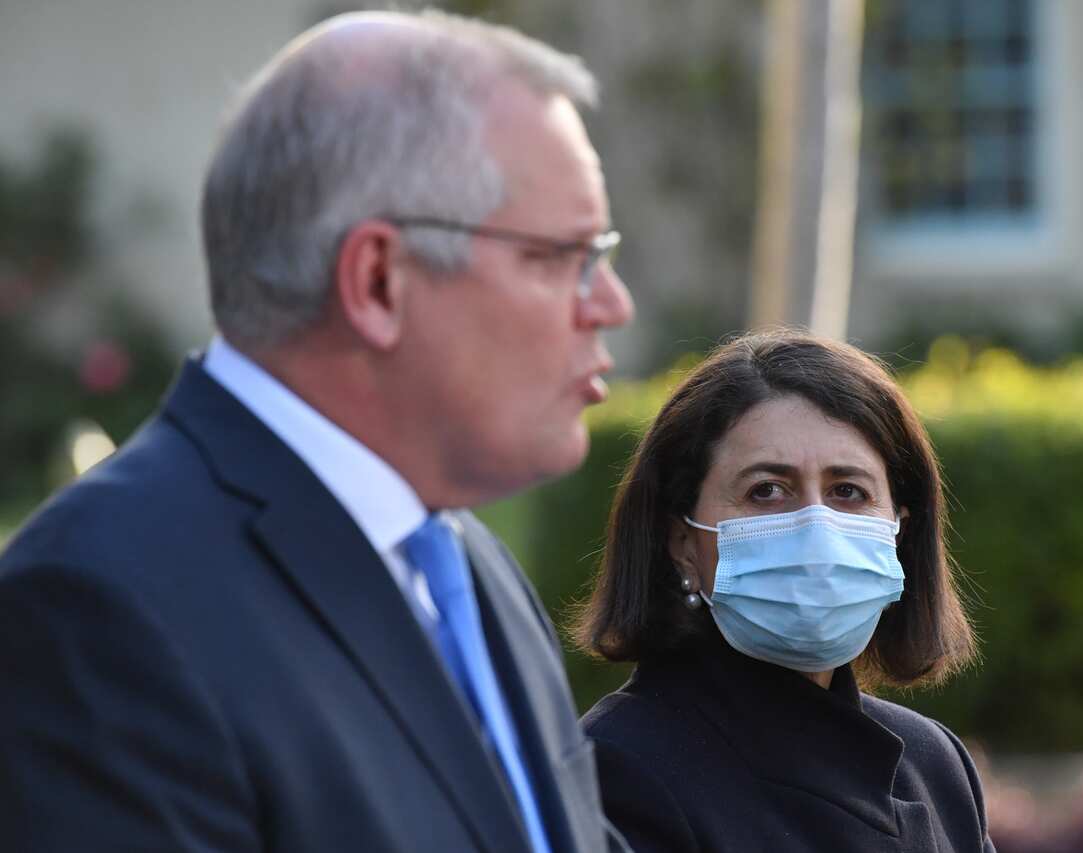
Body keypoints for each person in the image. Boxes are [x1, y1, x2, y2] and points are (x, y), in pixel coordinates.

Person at [0, 10, 634, 852]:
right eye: (561, 256)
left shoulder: (464, 560)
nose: (609, 304)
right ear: (377, 280)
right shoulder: (99, 608)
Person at [574, 330, 995, 853]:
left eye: (849, 491)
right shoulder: (618, 767)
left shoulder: (933, 766)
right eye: (766, 490)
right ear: (682, 543)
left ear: (899, 533)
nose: (816, 529)